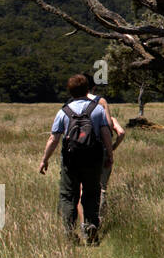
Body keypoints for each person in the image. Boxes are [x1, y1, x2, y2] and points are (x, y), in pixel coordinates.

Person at [40, 74, 113, 245]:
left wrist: (45, 159)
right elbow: (105, 134)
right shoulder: (97, 110)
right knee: (91, 193)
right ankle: (91, 225)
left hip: (71, 160)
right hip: (93, 158)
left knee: (68, 195)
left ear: (70, 91)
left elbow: (54, 139)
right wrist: (109, 155)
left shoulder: (63, 111)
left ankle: (69, 231)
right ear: (88, 90)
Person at [87, 82, 126, 218]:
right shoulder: (110, 118)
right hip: (103, 151)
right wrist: (113, 147)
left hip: (85, 152)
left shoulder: (83, 115)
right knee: (102, 187)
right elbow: (121, 133)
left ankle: (86, 217)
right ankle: (100, 217)